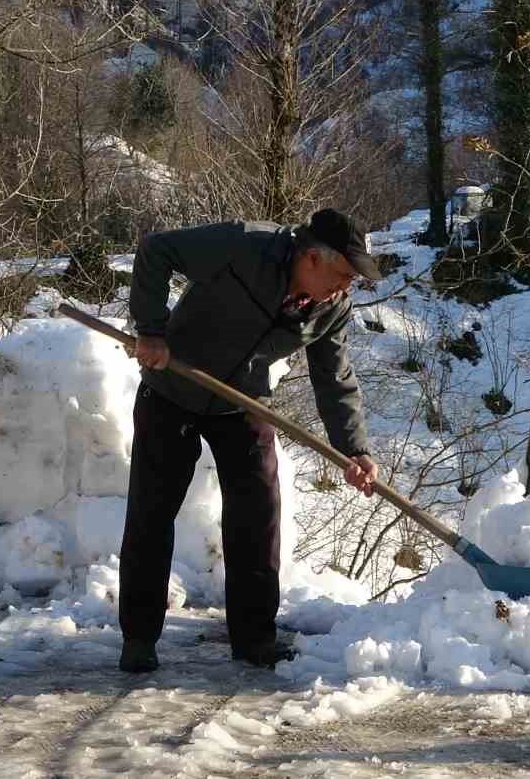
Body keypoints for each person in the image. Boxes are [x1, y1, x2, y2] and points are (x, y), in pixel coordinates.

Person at [117, 208, 381, 672]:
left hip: (243, 402)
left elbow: (334, 378)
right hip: (171, 388)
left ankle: (254, 638)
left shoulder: (331, 307)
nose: (346, 287)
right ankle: (139, 638)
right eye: (343, 274)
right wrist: (151, 330)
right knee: (151, 512)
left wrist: (354, 449)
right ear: (313, 258)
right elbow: (157, 250)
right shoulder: (243, 246)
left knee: (258, 513)